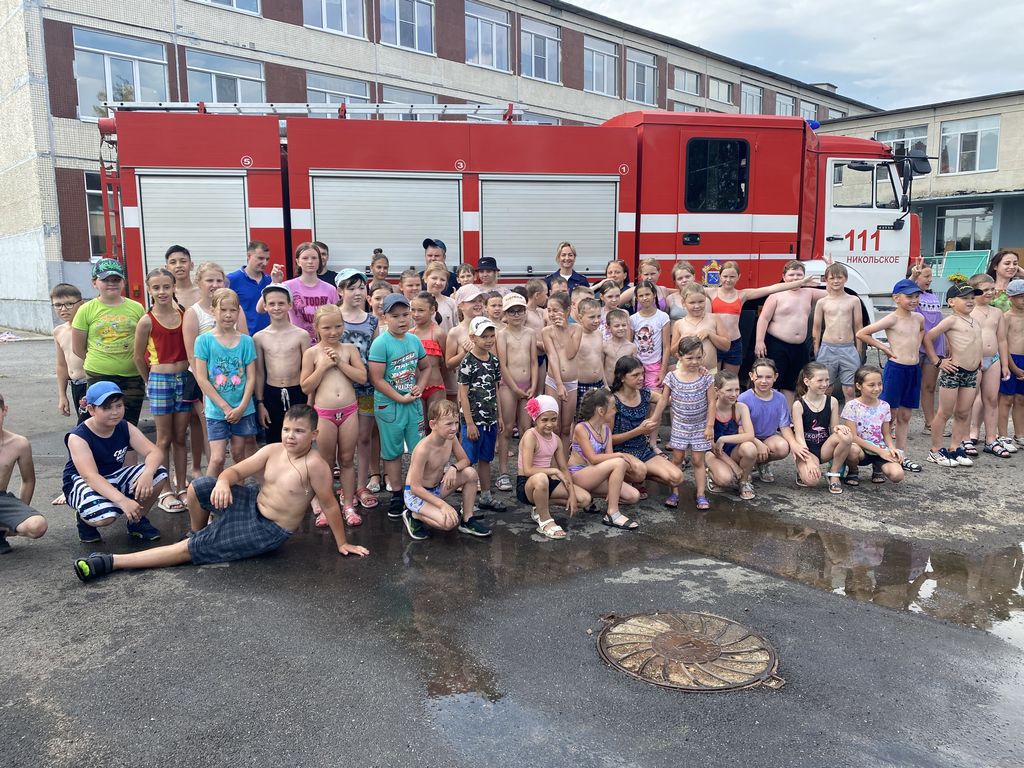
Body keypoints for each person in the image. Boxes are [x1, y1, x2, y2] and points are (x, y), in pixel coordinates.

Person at [73, 404, 369, 582]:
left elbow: (330, 505)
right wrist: (224, 482)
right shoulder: (273, 450)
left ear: (314, 435)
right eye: (287, 429)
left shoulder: (315, 465)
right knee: (202, 486)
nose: (291, 436)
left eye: (299, 431)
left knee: (186, 552)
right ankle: (197, 533)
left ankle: (112, 561)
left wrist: (342, 543)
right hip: (252, 503)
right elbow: (233, 472)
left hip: (268, 529)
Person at [64, 382, 168, 544]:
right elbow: (90, 477)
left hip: (113, 476)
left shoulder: (124, 426)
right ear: (91, 409)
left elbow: (154, 452)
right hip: (81, 482)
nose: (115, 412)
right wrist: (123, 501)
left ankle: (136, 521)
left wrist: (147, 474)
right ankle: (84, 521)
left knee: (158, 473)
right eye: (106, 408)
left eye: (118, 406)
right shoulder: (78, 436)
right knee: (105, 516)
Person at [300, 304, 366, 528]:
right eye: (327, 327)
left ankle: (348, 505)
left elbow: (361, 377)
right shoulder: (312, 353)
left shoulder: (349, 350)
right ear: (316, 328)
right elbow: (305, 386)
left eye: (338, 326)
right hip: (324, 414)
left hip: (348, 411)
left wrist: (339, 362)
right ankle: (328, 507)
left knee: (347, 459)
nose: (333, 332)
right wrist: (323, 367)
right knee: (327, 463)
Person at [182, 262, 249, 478]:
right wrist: (206, 392)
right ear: (199, 283)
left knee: (239, 445)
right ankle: (211, 485)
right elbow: (192, 356)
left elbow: (245, 342)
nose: (215, 284)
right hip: (205, 382)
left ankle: (232, 485)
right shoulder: (193, 313)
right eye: (209, 280)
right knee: (213, 436)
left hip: (235, 383)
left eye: (219, 280)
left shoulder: (236, 310)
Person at [133, 268, 191, 512]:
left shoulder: (185, 315)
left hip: (184, 379)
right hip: (160, 380)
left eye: (166, 286)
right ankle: (165, 489)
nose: (162, 292)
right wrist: (150, 380)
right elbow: (138, 357)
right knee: (163, 438)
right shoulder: (147, 320)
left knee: (181, 437)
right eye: (156, 288)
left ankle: (182, 486)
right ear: (149, 290)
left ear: (174, 287)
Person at [368, 294, 429, 519]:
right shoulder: (381, 343)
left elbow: (426, 367)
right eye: (395, 316)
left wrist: (420, 386)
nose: (402, 320)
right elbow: (377, 379)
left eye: (405, 314)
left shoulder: (414, 340)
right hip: (389, 405)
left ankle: (414, 489)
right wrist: (399, 397)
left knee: (418, 449)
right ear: (385, 317)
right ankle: (396, 493)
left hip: (412, 403)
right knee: (392, 451)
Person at [856, 278, 926, 473]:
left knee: (905, 414)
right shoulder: (892, 319)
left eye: (916, 296)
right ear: (896, 298)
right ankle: (881, 452)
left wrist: (917, 344)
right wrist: (885, 348)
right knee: (889, 414)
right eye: (909, 297)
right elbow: (862, 333)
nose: (914, 300)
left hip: (913, 369)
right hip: (896, 369)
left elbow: (922, 331)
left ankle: (901, 454)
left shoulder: (918, 318)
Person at [705, 260, 818, 374]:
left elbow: (771, 289)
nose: (728, 280)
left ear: (739, 277)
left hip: (734, 343)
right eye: (725, 276)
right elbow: (693, 288)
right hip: (716, 342)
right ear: (719, 276)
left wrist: (801, 282)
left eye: (732, 276)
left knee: (730, 379)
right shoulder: (711, 292)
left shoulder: (743, 294)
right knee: (714, 379)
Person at [71, 258, 146, 426]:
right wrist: (102, 359)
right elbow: (77, 347)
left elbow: (144, 342)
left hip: (132, 376)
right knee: (100, 424)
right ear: (94, 282)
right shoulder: (86, 310)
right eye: (105, 279)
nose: (111, 283)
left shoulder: (137, 308)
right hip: (99, 375)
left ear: (123, 282)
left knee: (128, 424)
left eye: (116, 279)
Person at [193, 288, 258, 478]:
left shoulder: (246, 341)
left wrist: (242, 407)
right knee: (217, 458)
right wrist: (225, 407)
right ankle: (207, 493)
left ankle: (238, 493)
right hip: (216, 410)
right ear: (213, 310)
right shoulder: (203, 341)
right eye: (223, 310)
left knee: (238, 454)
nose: (228, 315)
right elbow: (202, 378)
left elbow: (251, 377)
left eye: (233, 310)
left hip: (242, 409)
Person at [401, 399, 485, 540]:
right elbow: (415, 488)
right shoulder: (422, 449)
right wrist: (442, 505)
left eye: (456, 423)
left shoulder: (450, 438)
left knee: (470, 473)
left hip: (437, 489)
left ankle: (467, 519)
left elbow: (465, 461)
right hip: (416, 495)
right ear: (433, 424)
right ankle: (413, 515)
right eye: (449, 424)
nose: (454, 428)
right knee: (449, 523)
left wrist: (453, 468)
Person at [924, 283, 984, 468]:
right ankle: (935, 450)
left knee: (963, 412)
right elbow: (928, 337)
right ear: (951, 302)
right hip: (954, 371)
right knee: (945, 412)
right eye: (965, 298)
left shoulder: (975, 321)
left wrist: (978, 359)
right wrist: (937, 361)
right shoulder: (951, 320)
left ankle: (955, 447)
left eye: (972, 298)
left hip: (971, 373)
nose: (970, 301)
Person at [652, 336, 715, 510]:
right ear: (679, 356)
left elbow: (712, 402)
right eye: (689, 358)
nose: (694, 362)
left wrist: (709, 426)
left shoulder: (706, 377)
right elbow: (663, 400)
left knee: (697, 460)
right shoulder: (672, 377)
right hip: (680, 425)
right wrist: (654, 419)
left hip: (700, 425)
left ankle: (701, 494)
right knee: (677, 458)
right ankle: (674, 492)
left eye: (698, 357)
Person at [336, 269, 382, 505]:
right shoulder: (334, 318)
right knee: (343, 440)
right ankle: (345, 488)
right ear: (340, 291)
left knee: (364, 437)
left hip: (367, 388)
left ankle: (362, 486)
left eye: (361, 288)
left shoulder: (372, 320)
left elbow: (375, 355)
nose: (357, 292)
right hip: (340, 387)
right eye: (351, 288)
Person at [609, 356, 684, 498]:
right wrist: (639, 431)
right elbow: (608, 440)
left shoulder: (645, 394)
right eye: (635, 375)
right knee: (639, 472)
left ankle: (639, 477)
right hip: (620, 453)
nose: (641, 378)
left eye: (642, 374)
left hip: (642, 450)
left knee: (677, 478)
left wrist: (693, 378)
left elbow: (669, 400)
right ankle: (620, 479)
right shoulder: (612, 401)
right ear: (622, 377)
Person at [518, 395, 590, 539]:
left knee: (584, 499)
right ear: (535, 419)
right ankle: (545, 520)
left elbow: (564, 468)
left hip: (546, 482)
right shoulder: (530, 436)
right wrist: (553, 470)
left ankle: (539, 508)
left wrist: (571, 494)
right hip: (527, 485)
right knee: (541, 478)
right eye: (544, 420)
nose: (549, 424)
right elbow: (527, 470)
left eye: (554, 419)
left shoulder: (556, 440)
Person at [754, 261, 827, 404]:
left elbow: (833, 292)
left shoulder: (809, 292)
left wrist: (829, 270)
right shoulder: (776, 295)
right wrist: (759, 341)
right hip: (777, 344)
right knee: (772, 382)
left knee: (792, 385)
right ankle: (770, 413)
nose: (795, 278)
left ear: (804, 277)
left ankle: (787, 415)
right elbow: (764, 318)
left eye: (799, 275)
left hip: (799, 347)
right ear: (784, 277)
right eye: (791, 274)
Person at [567, 388, 640, 528]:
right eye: (613, 407)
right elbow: (593, 459)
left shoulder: (606, 429)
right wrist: (619, 455)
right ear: (601, 411)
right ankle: (612, 513)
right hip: (578, 474)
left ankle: (592, 497)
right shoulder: (581, 428)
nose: (616, 411)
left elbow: (608, 459)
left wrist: (613, 487)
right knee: (619, 462)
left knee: (633, 496)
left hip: (595, 474)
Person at [457, 317, 507, 513]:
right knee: (468, 461)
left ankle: (486, 496)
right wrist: (469, 423)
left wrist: (499, 416)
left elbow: (495, 389)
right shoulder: (467, 361)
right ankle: (466, 504)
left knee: (486, 458)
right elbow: (462, 394)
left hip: (490, 420)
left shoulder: (494, 360)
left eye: (491, 336)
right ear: (473, 337)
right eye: (484, 336)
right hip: (473, 421)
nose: (489, 340)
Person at [254, 284, 308, 445]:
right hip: (272, 394)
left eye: (281, 303)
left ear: (289, 305)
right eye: (272, 304)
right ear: (265, 306)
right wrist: (260, 403)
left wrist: (310, 400)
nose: (276, 308)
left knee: (299, 439)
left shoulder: (301, 335)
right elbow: (259, 373)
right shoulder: (259, 337)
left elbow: (308, 369)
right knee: (274, 441)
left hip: (297, 391)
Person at [495, 292, 538, 492]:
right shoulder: (501, 334)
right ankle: (503, 472)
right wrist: (514, 388)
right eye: (512, 311)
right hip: (508, 386)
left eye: (520, 311)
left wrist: (533, 385)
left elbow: (534, 362)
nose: (516, 315)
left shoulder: (530, 333)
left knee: (526, 429)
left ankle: (524, 470)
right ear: (505, 314)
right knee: (506, 428)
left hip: (527, 386)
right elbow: (502, 364)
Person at [966, 273, 1011, 458]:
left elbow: (1002, 339)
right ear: (974, 292)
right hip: (973, 360)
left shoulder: (997, 312)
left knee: (991, 399)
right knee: (968, 400)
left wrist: (1005, 364)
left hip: (993, 360)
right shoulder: (969, 311)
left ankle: (991, 439)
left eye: (992, 289)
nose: (990, 292)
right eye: (985, 290)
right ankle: (966, 436)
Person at [791, 362, 853, 494]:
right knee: (812, 481)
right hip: (807, 450)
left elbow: (834, 428)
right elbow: (799, 437)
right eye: (820, 380)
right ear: (807, 381)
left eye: (827, 380)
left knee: (846, 436)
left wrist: (840, 428)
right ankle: (802, 469)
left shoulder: (832, 401)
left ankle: (834, 473)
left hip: (825, 447)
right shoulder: (799, 405)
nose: (825, 384)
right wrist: (808, 460)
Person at [738, 358, 799, 483]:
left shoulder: (780, 398)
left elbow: (784, 426)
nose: (764, 381)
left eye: (768, 377)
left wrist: (794, 445)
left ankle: (761, 463)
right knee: (750, 449)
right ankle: (745, 468)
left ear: (775, 377)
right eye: (759, 376)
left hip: (768, 438)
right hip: (746, 439)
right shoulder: (744, 398)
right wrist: (758, 444)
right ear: (751, 376)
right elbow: (740, 429)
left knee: (783, 447)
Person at [841, 366, 905, 485]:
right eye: (871, 385)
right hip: (861, 448)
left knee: (897, 475)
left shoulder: (884, 406)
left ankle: (878, 467)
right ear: (859, 386)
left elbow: (886, 433)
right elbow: (853, 437)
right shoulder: (852, 406)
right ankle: (853, 470)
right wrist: (880, 451)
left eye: (879, 384)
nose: (877, 388)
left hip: (879, 447)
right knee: (852, 449)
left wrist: (892, 448)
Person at [0, 393, 47, 553]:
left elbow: (28, 480)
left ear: (4, 410)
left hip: (2, 500)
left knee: (37, 525)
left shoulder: (19, 444)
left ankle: (2, 530)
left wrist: (16, 518)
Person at [811, 262, 863, 401]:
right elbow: (816, 327)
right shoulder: (822, 302)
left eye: (839, 277)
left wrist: (858, 350)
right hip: (828, 348)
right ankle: (825, 414)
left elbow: (858, 326)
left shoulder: (854, 300)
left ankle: (849, 415)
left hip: (848, 348)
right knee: (825, 387)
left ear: (846, 278)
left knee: (850, 389)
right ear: (826, 280)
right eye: (832, 278)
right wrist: (816, 349)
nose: (836, 281)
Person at [268, 242, 338, 344]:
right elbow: (260, 308)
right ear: (298, 261)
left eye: (314, 258)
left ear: (319, 261)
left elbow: (337, 318)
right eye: (305, 258)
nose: (310, 261)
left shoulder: (330, 289)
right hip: (295, 344)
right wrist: (274, 282)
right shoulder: (288, 286)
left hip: (324, 345)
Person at [705, 370, 758, 500]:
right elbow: (712, 446)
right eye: (729, 390)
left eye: (737, 389)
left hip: (732, 449)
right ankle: (710, 473)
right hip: (713, 453)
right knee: (725, 480)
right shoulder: (709, 409)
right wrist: (734, 466)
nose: (734, 394)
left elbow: (750, 435)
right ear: (717, 390)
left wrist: (723, 439)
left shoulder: (740, 408)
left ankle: (744, 481)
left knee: (750, 448)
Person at [908, 263, 945, 436]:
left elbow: (940, 322)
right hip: (915, 347)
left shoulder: (933, 297)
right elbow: (904, 289)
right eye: (926, 276)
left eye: (931, 276)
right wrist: (912, 278)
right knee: (907, 385)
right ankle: (895, 423)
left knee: (929, 386)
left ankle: (930, 423)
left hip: (935, 347)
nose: (930, 280)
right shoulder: (910, 297)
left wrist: (947, 344)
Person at [543, 293, 582, 453]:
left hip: (571, 382)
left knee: (566, 427)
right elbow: (552, 357)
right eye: (549, 310)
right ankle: (553, 462)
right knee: (554, 426)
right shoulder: (547, 331)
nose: (552, 314)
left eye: (556, 310)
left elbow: (571, 353)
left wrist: (565, 329)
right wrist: (559, 384)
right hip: (553, 381)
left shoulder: (576, 328)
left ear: (567, 311)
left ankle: (564, 461)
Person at [669, 283, 729, 372]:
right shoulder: (679, 324)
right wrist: (681, 339)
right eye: (692, 302)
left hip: (709, 372)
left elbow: (726, 346)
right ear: (683, 303)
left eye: (701, 301)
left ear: (705, 300)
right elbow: (673, 352)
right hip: (685, 373)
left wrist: (710, 334)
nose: (697, 306)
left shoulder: (714, 318)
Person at [51, 283, 88, 425]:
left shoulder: (89, 328)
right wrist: (62, 395)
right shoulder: (58, 331)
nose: (63, 309)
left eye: (69, 304)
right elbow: (61, 365)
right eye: (58, 305)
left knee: (89, 428)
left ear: (81, 304)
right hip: (76, 385)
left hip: (91, 383)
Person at [410, 292, 448, 420]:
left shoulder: (439, 333)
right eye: (413, 310)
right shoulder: (409, 334)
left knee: (437, 422)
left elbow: (446, 363)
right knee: (420, 425)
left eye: (421, 310)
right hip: (415, 388)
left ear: (432, 310)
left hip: (435, 386)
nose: (416, 314)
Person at [997, 280, 1024, 449]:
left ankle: (1020, 434)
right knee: (1006, 399)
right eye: (1020, 296)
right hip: (1010, 359)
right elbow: (1003, 343)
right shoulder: (1006, 317)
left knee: (1021, 399)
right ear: (1010, 297)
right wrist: (1012, 366)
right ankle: (1002, 435)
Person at [630, 281, 671, 389]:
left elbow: (666, 346)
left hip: (655, 366)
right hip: (636, 365)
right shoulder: (633, 319)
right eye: (641, 296)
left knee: (655, 395)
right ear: (637, 298)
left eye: (647, 294)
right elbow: (628, 344)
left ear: (654, 294)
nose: (644, 298)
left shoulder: (663, 317)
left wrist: (663, 371)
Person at [227, 240, 273, 335]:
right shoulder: (232, 280)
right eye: (260, 258)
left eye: (267, 259)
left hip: (268, 338)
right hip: (243, 338)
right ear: (248, 256)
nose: (265, 263)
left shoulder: (270, 280)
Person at [575, 298, 607, 419]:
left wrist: (605, 384)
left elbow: (599, 361)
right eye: (592, 317)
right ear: (580, 317)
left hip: (598, 383)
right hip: (581, 385)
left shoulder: (599, 334)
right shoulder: (576, 336)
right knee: (580, 418)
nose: (596, 320)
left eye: (599, 316)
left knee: (599, 417)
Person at [603, 309, 637, 386]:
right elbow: (601, 368)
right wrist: (605, 386)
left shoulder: (632, 347)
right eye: (617, 326)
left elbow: (634, 370)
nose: (621, 328)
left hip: (625, 387)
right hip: (608, 386)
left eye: (624, 325)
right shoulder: (604, 346)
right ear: (608, 327)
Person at [423, 262, 459, 335]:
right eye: (434, 278)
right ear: (425, 278)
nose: (438, 283)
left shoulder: (452, 303)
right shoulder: (414, 303)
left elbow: (458, 328)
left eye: (442, 280)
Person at [165, 245, 200, 310]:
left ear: (191, 265)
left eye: (183, 261)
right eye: (173, 262)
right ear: (167, 268)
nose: (178, 265)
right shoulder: (165, 296)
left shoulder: (202, 293)